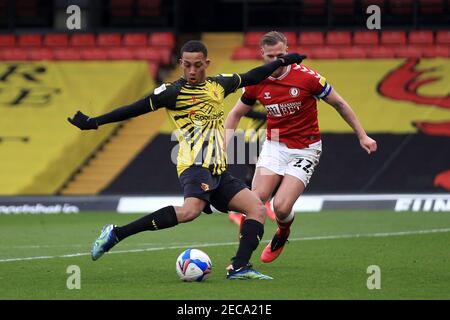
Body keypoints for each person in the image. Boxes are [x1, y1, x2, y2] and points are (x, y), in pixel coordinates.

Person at [67, 40, 306, 279]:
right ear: (181, 64)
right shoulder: (172, 92)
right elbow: (134, 108)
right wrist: (95, 122)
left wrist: (284, 60)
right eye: (187, 65)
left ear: (207, 64)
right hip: (194, 165)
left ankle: (239, 267)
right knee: (191, 211)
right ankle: (116, 234)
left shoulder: (219, 85)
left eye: (198, 65)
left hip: (218, 168)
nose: (192, 71)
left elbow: (253, 75)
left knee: (256, 208)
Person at [224, 31, 377, 264]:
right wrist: (223, 147)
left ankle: (283, 232)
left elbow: (339, 103)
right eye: (270, 56)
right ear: (262, 55)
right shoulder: (256, 81)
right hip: (274, 145)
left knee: (281, 207)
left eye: (281, 55)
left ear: (287, 52)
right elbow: (235, 114)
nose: (276, 61)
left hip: (306, 149)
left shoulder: (308, 78)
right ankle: (241, 260)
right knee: (254, 201)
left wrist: (362, 135)